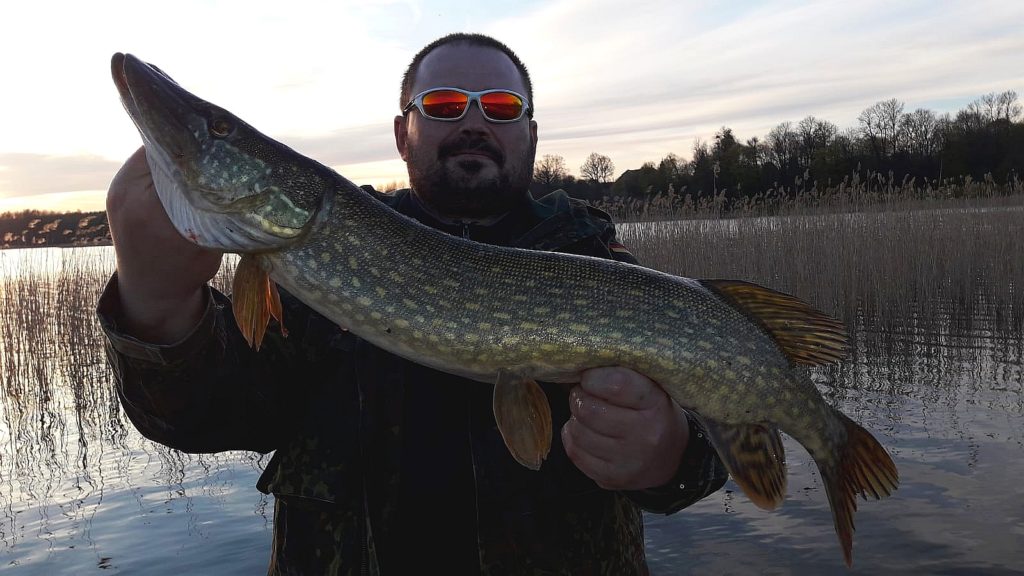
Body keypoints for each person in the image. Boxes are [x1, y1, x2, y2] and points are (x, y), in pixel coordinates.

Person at [98, 33, 727, 575]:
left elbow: (719, 436)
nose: (474, 122)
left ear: (531, 134)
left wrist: (671, 454)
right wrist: (155, 306)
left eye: (502, 108)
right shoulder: (308, 272)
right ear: (404, 133)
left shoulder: (601, 269)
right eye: (445, 104)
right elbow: (207, 417)